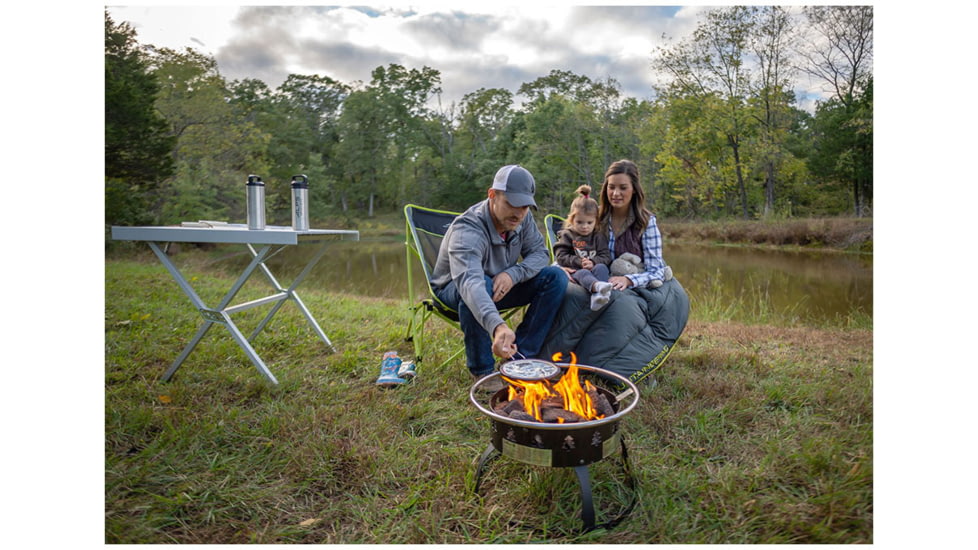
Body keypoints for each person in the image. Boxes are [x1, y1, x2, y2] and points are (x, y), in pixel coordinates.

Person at [430, 165, 568, 391]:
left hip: (499, 285)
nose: (519, 212)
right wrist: (498, 327)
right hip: (455, 289)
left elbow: (540, 254)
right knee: (481, 283)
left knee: (555, 277)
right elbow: (470, 283)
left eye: (524, 206)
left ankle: (519, 358)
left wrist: (513, 274)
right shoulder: (468, 229)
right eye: (512, 204)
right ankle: (483, 371)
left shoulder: (523, 219)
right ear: (492, 195)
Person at [598, 159, 670, 290]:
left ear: (634, 189)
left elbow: (657, 271)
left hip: (629, 292)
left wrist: (629, 280)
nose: (615, 193)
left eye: (623, 188)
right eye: (611, 187)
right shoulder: (595, 217)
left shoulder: (646, 222)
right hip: (597, 284)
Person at [552, 185, 613, 311]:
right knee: (583, 272)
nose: (585, 227)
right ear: (572, 219)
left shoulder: (598, 236)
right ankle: (597, 288)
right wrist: (579, 262)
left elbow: (606, 256)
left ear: (596, 221)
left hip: (594, 269)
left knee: (601, 267)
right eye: (580, 222)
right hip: (576, 271)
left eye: (589, 223)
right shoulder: (567, 235)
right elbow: (560, 256)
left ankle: (600, 295)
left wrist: (594, 262)